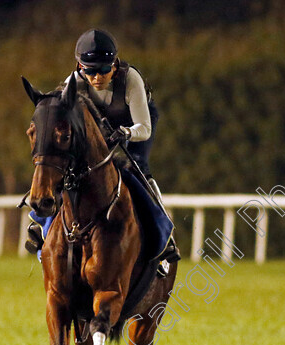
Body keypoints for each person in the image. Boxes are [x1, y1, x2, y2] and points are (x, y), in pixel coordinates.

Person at [26, 28, 180, 269]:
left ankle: (163, 235)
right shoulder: (73, 83)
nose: (97, 78)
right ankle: (39, 224)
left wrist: (126, 132)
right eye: (90, 71)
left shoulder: (131, 80)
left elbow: (144, 128)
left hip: (135, 123)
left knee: (138, 169)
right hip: (98, 127)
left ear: (115, 64)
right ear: (79, 67)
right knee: (67, 171)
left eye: (104, 70)